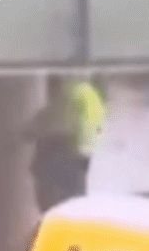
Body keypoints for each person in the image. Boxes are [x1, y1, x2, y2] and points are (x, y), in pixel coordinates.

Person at [29, 76, 107, 215]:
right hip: (75, 156)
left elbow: (36, 127)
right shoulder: (82, 97)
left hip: (68, 155)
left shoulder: (65, 103)